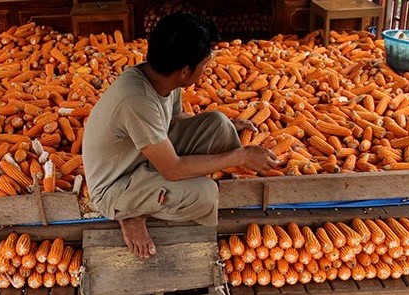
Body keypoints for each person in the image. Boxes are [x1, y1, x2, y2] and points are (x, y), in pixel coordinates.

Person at [82, 12, 279, 258]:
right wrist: (239, 156)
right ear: (185, 72)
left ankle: (150, 201)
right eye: (206, 65)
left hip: (143, 157)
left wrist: (229, 126)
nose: (207, 70)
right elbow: (172, 169)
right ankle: (131, 214)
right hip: (118, 183)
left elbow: (173, 121)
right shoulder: (136, 100)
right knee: (205, 194)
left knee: (218, 124)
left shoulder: (162, 77)